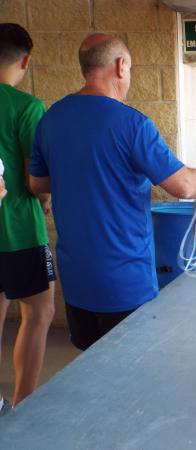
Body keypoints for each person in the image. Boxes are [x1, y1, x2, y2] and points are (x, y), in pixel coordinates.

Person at [28, 34, 196, 351]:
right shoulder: (132, 124)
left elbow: (37, 184)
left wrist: (78, 176)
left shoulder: (51, 119)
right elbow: (185, 187)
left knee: (88, 368)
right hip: (125, 281)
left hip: (77, 278)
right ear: (121, 66)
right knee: (130, 376)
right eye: (130, 69)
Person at [0, 23, 55, 412]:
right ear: (26, 59)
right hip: (17, 229)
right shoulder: (26, 107)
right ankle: (25, 402)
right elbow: (36, 181)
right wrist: (48, 197)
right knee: (39, 310)